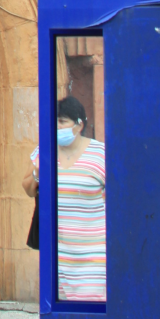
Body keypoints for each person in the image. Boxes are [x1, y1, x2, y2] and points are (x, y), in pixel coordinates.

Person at [23, 95, 105, 301]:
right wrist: (37, 172)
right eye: (55, 122)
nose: (57, 127)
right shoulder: (45, 150)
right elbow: (28, 189)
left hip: (94, 255)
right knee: (61, 312)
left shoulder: (100, 154)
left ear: (79, 125)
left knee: (90, 310)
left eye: (62, 122)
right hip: (58, 254)